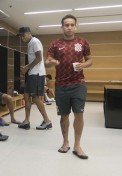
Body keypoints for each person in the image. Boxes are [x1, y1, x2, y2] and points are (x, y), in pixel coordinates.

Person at [45, 14, 92, 159]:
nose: (69, 27)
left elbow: (90, 60)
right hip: (61, 85)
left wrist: (83, 64)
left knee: (79, 114)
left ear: (75, 26)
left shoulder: (82, 42)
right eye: (66, 24)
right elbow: (47, 61)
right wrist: (52, 62)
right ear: (62, 27)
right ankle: (65, 142)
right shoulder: (55, 44)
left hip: (78, 84)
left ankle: (77, 145)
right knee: (64, 116)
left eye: (72, 24)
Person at [17, 27, 52, 130]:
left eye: (23, 35)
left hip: (37, 74)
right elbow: (35, 59)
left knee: (36, 98)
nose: (21, 38)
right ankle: (26, 121)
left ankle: (47, 121)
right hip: (32, 73)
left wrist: (27, 67)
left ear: (29, 33)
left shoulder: (35, 42)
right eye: (20, 36)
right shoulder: (30, 43)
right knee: (26, 95)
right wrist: (27, 67)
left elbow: (39, 58)